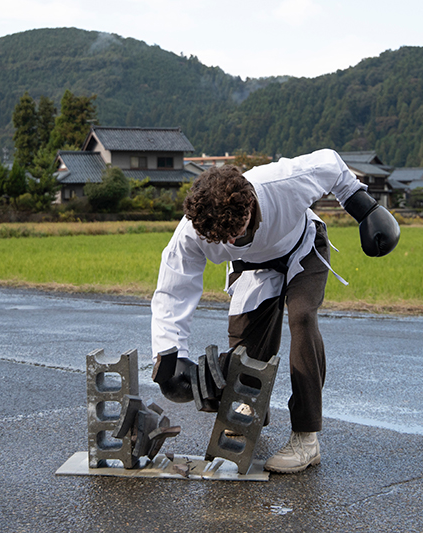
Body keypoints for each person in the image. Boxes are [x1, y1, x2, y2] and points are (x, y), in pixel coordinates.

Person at [150, 148, 399, 473]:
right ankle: (247, 418)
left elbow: (331, 163)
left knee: (302, 316)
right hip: (252, 268)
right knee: (244, 353)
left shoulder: (284, 181)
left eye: (238, 232)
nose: (233, 239)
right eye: (224, 238)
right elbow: (174, 289)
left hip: (302, 248)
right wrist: (170, 355)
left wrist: (365, 207)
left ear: (250, 205)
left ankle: (305, 438)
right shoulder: (191, 232)